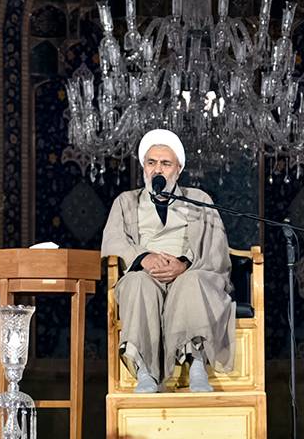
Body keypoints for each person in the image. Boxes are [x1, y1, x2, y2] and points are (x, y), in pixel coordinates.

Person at [100, 128, 235, 393]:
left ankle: (196, 363)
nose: (157, 170)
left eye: (165, 163)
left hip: (189, 270)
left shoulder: (199, 200)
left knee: (193, 282)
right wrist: (144, 258)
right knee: (138, 283)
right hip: (144, 272)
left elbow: (215, 247)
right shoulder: (126, 202)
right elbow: (114, 241)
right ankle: (144, 371)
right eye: (151, 163)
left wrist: (183, 264)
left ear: (178, 169)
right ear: (143, 167)